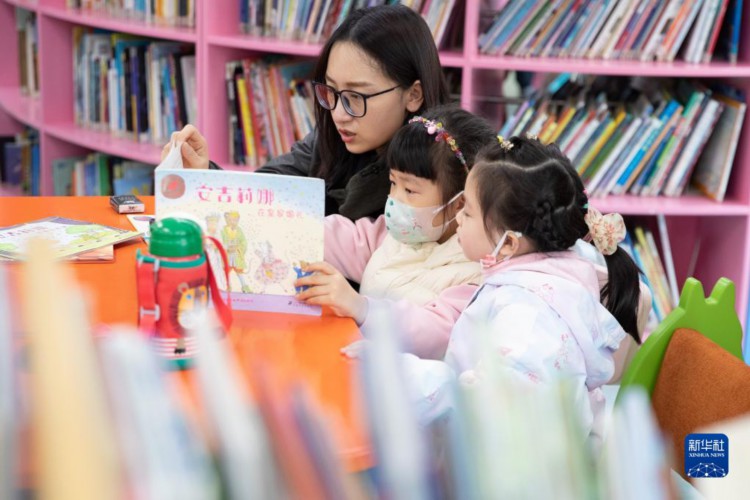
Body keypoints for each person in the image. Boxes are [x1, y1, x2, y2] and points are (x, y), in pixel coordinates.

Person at [411, 135, 644, 445]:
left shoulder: (528, 317)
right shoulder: (552, 270)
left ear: (508, 243)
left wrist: (404, 377)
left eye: (467, 211)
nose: (458, 219)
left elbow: (487, 404)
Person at [163, 4, 450, 220]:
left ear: (413, 95)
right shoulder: (332, 138)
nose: (339, 114)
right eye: (331, 91)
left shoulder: (439, 172)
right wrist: (204, 174)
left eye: (355, 96)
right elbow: (265, 192)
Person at [294, 105, 497, 360]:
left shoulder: (477, 269)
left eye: (410, 190)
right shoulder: (402, 234)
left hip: (405, 380)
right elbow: (349, 239)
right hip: (358, 360)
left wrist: (361, 307)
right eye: (393, 183)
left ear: (459, 203)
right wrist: (295, 226)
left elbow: (439, 331)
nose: (395, 198)